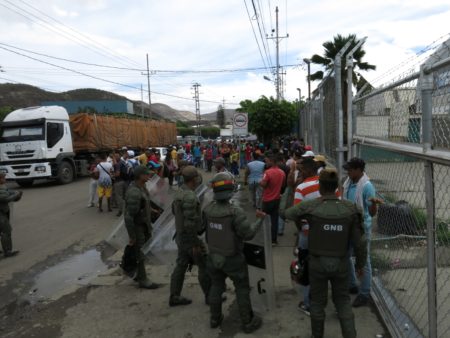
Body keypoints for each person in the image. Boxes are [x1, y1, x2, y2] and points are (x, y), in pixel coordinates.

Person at [285, 169, 367, 338]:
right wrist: (360, 265)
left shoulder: (312, 206)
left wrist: (291, 191)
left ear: (321, 187)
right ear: (337, 188)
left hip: (317, 264)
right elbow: (360, 243)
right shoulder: (350, 209)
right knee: (343, 302)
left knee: (317, 303)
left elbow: (287, 213)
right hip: (341, 263)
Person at [203, 172, 265, 333]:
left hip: (213, 257)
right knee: (242, 288)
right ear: (230, 189)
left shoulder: (208, 209)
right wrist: (259, 219)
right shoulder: (234, 211)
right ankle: (247, 322)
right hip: (233, 259)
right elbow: (248, 234)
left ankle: (214, 318)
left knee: (216, 286)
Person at [343, 158, 382, 307]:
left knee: (364, 261)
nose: (348, 172)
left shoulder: (366, 186)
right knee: (346, 255)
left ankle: (365, 294)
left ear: (359, 170)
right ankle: (352, 284)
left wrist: (373, 205)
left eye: (350, 169)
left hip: (361, 229)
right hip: (349, 225)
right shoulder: (349, 183)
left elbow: (371, 214)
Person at [169, 166, 210, 306]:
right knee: (204, 265)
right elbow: (190, 223)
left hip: (181, 236)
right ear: (194, 179)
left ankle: (174, 296)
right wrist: (195, 244)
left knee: (181, 265)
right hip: (189, 238)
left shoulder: (180, 192)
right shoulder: (190, 197)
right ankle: (210, 297)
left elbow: (174, 212)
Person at [124, 166, 160, 289]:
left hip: (144, 225)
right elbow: (128, 217)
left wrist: (152, 210)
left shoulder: (142, 188)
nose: (149, 176)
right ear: (140, 176)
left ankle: (140, 275)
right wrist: (132, 236)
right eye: (147, 174)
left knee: (142, 252)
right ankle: (143, 279)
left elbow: (144, 203)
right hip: (137, 227)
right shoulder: (134, 192)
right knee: (140, 254)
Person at [260, 152, 286, 245]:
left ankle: (266, 239)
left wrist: (260, 181)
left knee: (264, 220)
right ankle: (274, 240)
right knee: (275, 220)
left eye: (267, 161)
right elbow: (283, 185)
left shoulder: (267, 172)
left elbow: (263, 184)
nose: (265, 163)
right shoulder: (282, 172)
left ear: (272, 161)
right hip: (277, 199)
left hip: (267, 200)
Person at [0, 173, 22, 258]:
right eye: (3, 178)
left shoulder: (3, 187)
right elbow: (6, 199)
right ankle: (8, 251)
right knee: (6, 231)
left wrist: (17, 195)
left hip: (2, 212)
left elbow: (10, 193)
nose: (4, 179)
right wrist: (17, 194)